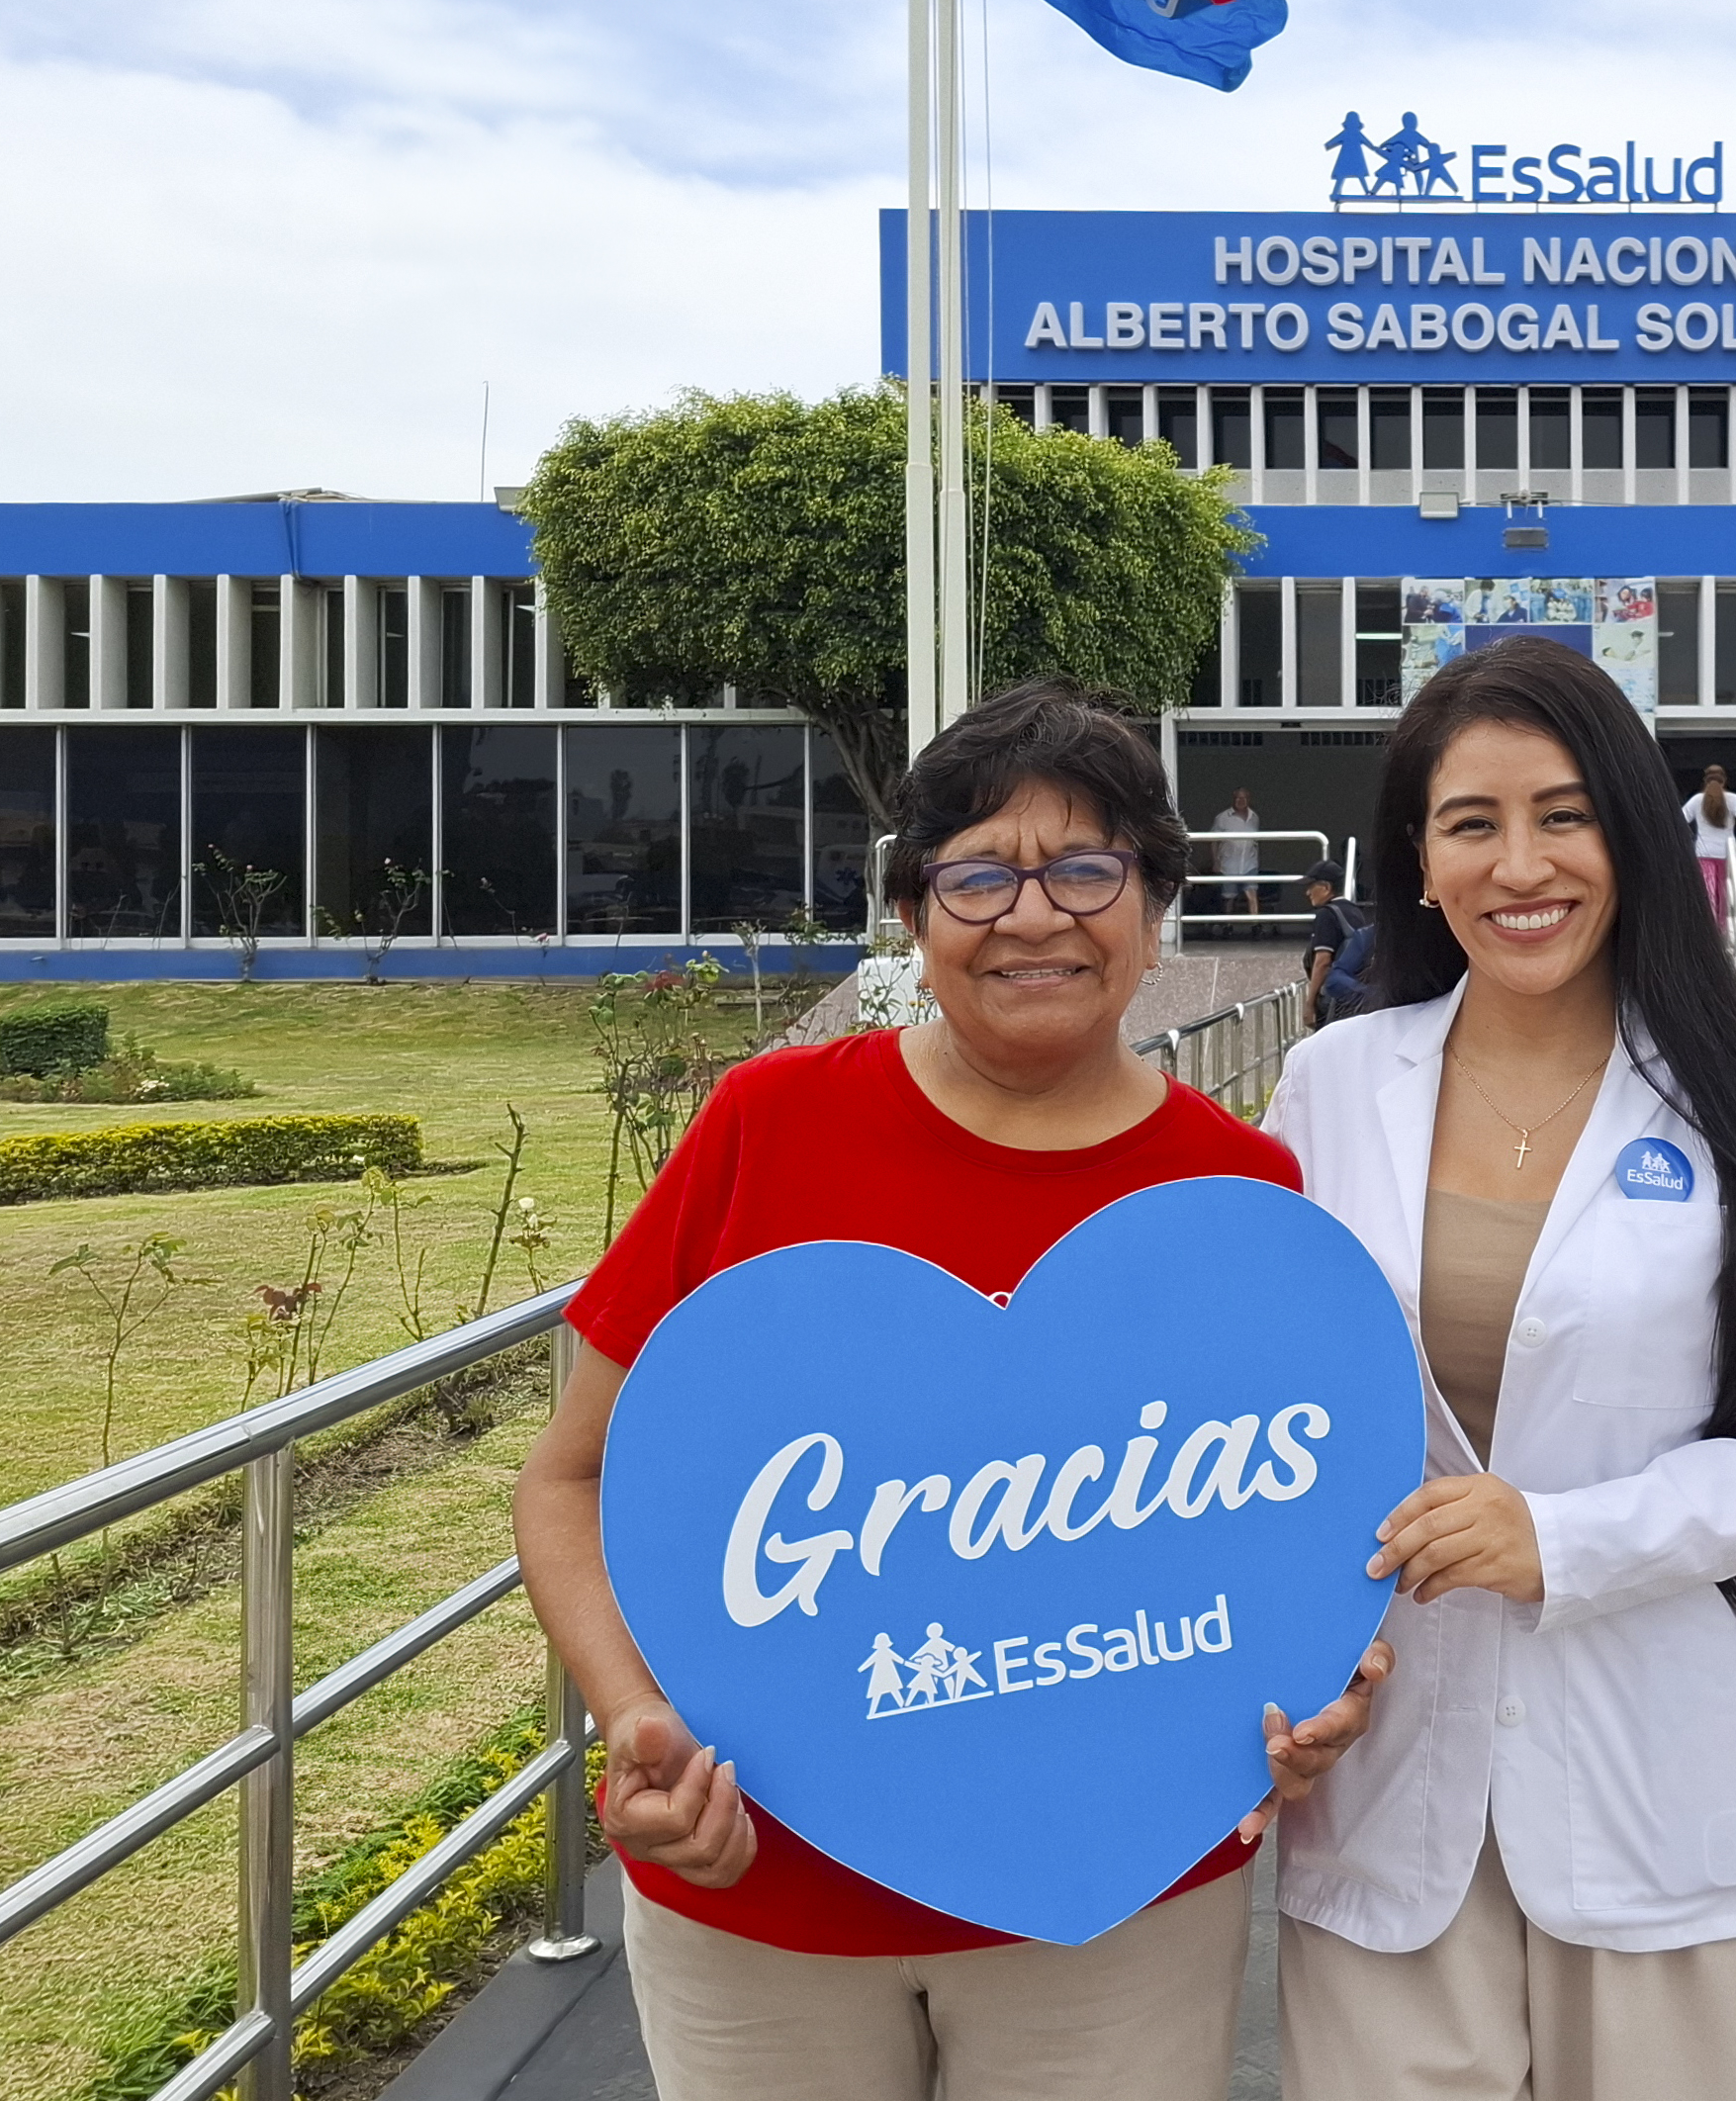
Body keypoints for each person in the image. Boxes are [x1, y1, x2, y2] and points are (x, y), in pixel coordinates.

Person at [513, 680, 1390, 2101]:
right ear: (914, 911)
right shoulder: (768, 1125)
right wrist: (635, 1724)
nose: (1033, 915)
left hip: (1120, 1900)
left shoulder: (1241, 1195)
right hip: (762, 1895)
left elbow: (1297, 1536)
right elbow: (568, 1476)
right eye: (979, 874)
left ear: (1155, 903)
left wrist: (1318, 1679)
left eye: (1086, 868)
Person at [1259, 638, 1736, 2101]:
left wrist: (1561, 1538)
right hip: (1388, 1780)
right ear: (1415, 856)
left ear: (1635, 836)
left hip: (1669, 1791)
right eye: (1471, 820)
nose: (1519, 862)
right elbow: (1262, 1421)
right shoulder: (1330, 1085)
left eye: (1565, 812)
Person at [1679, 765, 1736, 930]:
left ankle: (1709, 930)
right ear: (1724, 780)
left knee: (1708, 892)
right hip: (1728, 854)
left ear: (1705, 780)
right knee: (1726, 892)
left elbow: (1680, 821)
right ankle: (1724, 929)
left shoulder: (1697, 800)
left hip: (1703, 853)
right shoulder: (1733, 799)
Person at [1300, 861, 1369, 1027]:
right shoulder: (1355, 911)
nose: (1308, 892)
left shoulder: (1326, 914)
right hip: (1356, 997)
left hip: (1333, 1001)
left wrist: (1309, 1004)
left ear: (1326, 887)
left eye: (1311, 886)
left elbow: (1323, 961)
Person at [1211, 783, 1263, 919]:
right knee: (1229, 898)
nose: (1241, 801)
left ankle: (1256, 926)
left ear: (1249, 799)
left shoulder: (1254, 818)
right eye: (1238, 798)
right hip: (1229, 865)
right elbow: (1213, 841)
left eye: (1244, 798)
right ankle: (1227, 925)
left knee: (1252, 894)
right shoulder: (1222, 818)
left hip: (1249, 863)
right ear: (1233, 800)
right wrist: (1216, 861)